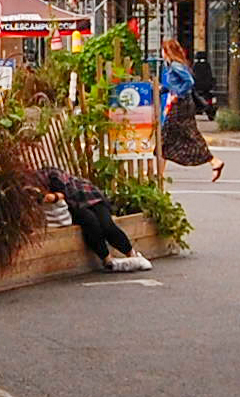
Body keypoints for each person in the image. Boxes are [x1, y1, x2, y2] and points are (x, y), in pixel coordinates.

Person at [44, 163, 151, 272]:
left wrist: (54, 196)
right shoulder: (36, 182)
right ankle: (108, 260)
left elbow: (62, 190)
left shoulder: (50, 174)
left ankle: (132, 254)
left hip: (88, 195)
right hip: (73, 204)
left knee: (107, 225)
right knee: (90, 222)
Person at [156, 35, 223, 182]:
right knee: (172, 136)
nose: (161, 53)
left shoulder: (175, 65)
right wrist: (163, 89)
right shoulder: (171, 65)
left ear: (167, 51)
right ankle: (159, 174)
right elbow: (173, 85)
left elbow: (189, 81)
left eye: (162, 50)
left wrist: (177, 95)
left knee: (172, 135)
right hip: (181, 103)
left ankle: (213, 160)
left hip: (181, 105)